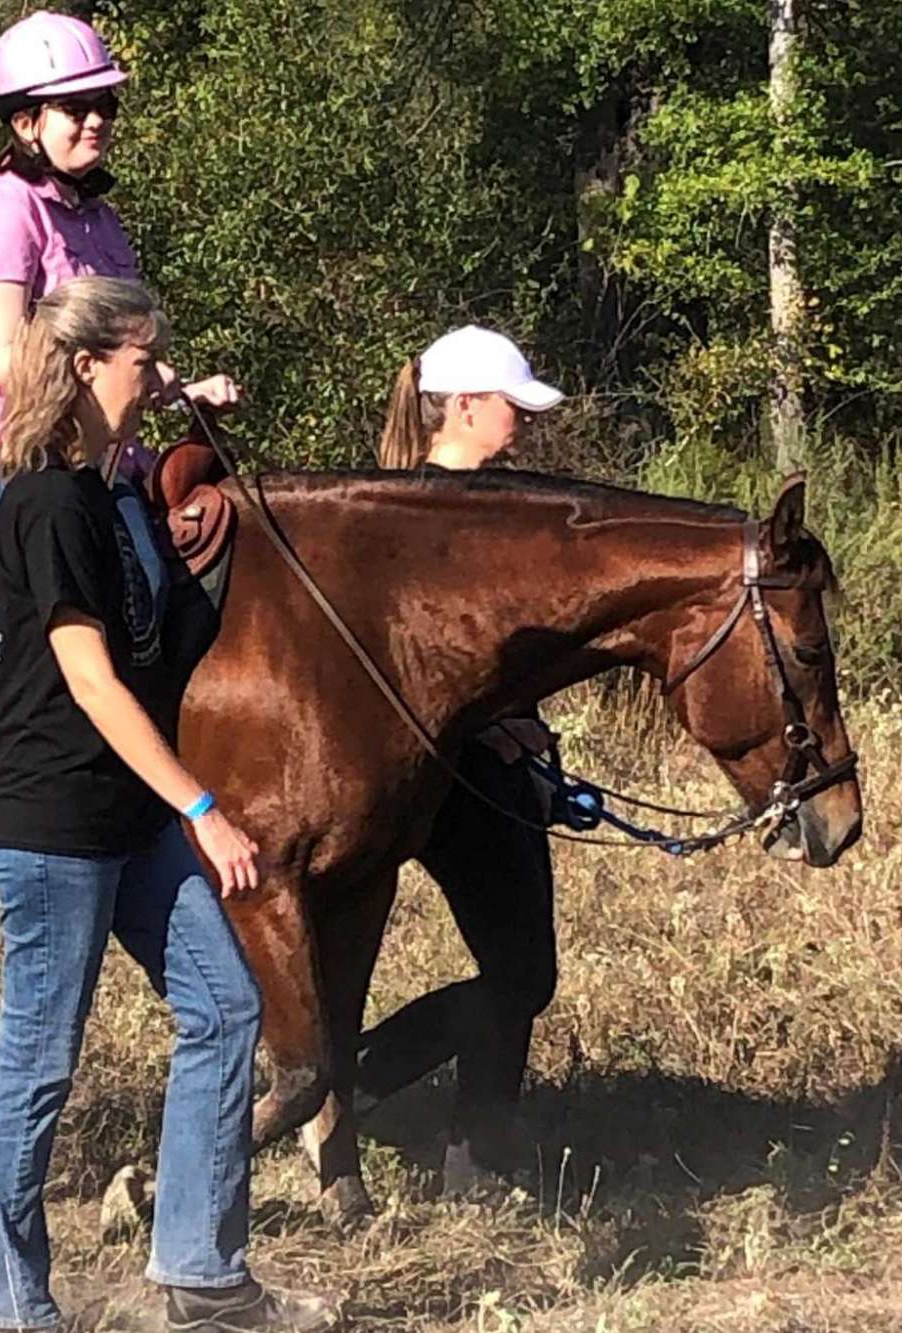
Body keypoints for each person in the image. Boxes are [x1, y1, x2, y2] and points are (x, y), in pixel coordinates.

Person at [0, 274, 336, 1333]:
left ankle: (201, 1271)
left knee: (225, 1006)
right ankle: (4, 1306)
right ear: (86, 367)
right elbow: (88, 680)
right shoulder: (41, 499)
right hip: (55, 823)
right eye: (143, 360)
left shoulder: (111, 493)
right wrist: (204, 806)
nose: (156, 377)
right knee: (39, 1059)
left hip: (127, 819)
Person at [358, 325, 569, 1192]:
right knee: (523, 972)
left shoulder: (477, 499)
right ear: (466, 405)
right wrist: (492, 728)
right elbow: (418, 655)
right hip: (457, 770)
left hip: (499, 756)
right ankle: (358, 1085)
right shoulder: (423, 512)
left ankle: (479, 1155)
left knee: (521, 969)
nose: (520, 419)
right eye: (510, 404)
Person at [0, 10, 239, 515]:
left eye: (105, 104)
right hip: (22, 451)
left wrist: (173, 385)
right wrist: (128, 375)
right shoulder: (2, 212)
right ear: (25, 123)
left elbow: (119, 350)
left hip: (103, 452)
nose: (97, 120)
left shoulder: (101, 219)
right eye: (76, 108)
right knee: (133, 573)